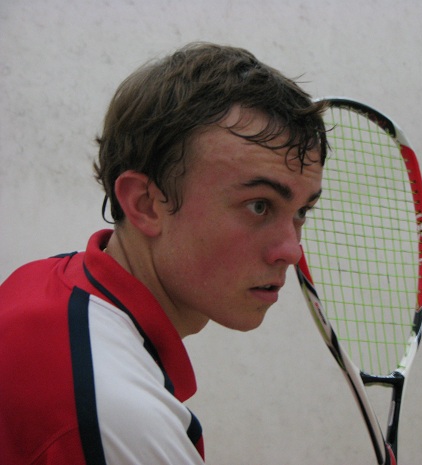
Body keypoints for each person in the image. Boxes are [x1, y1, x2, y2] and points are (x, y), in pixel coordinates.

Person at [0, 42, 327, 464]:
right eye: (259, 205)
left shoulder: (45, 282)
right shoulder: (121, 418)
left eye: (301, 211)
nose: (292, 251)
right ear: (145, 204)